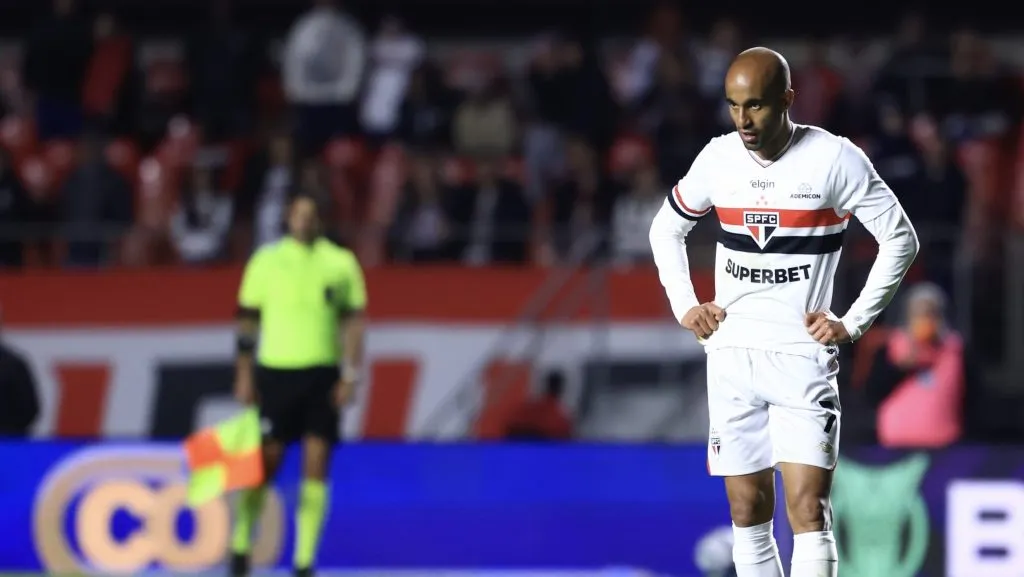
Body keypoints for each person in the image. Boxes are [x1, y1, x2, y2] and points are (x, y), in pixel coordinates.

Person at [648, 48, 919, 577]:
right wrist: (685, 305)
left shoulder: (836, 158)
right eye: (733, 106)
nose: (743, 121)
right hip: (732, 354)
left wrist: (853, 320)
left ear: (787, 100)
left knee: (807, 510)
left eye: (755, 106)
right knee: (747, 512)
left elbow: (901, 239)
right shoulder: (718, 158)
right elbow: (666, 228)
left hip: (802, 355)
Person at [230, 192, 367, 577]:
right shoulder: (266, 261)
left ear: (320, 219)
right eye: (298, 215)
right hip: (275, 373)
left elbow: (353, 323)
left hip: (321, 374)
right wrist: (243, 372)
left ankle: (305, 561)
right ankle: (241, 540)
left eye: (311, 215)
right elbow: (247, 321)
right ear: (288, 218)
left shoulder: (340, 263)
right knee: (266, 463)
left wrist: (351, 374)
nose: (304, 221)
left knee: (317, 462)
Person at [864, 282, 982, 448]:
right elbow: (872, 393)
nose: (925, 319)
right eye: (918, 313)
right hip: (895, 449)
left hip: (946, 449)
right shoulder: (889, 348)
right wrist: (900, 369)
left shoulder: (957, 350)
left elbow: (973, 399)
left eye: (930, 313)